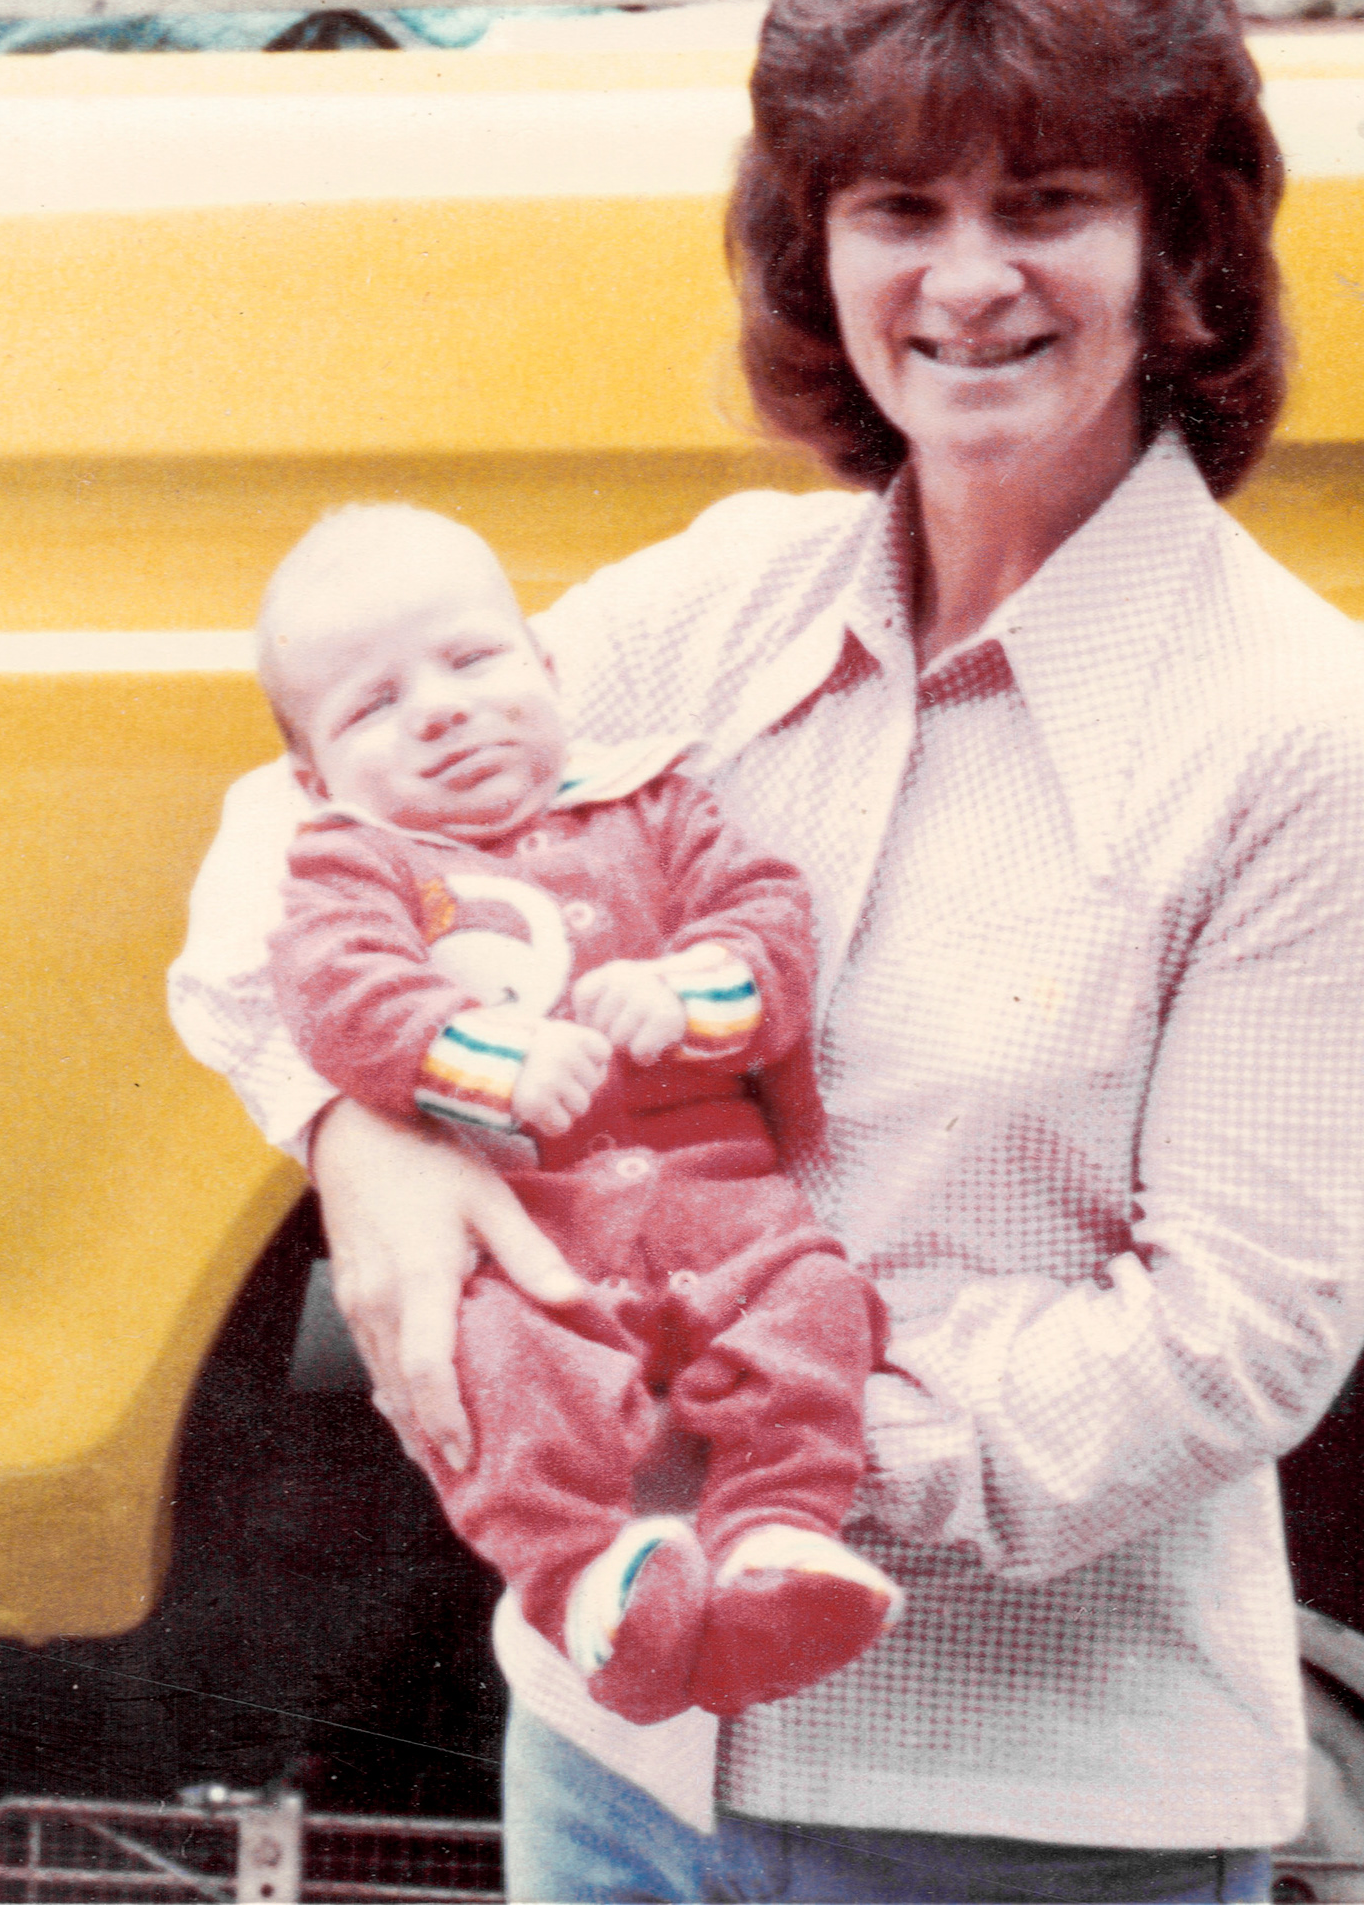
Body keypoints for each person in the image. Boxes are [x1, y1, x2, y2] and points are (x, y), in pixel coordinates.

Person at [172, 0, 1364, 1904]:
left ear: (1182, 245)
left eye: (1049, 202)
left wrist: (752, 1452)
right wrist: (360, 1130)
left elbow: (1241, 1332)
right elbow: (290, 839)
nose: (967, 279)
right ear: (813, 246)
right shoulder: (724, 605)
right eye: (898, 208)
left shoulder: (1302, 735)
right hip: (608, 1768)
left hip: (1013, 1825)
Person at [252, 501, 899, 1726]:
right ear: (312, 778)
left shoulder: (656, 806)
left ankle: (776, 1531)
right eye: (373, 705)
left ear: (549, 669)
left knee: (813, 1307)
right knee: (495, 1369)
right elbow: (337, 986)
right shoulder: (357, 864)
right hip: (533, 1240)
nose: (440, 710)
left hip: (727, 1212)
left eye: (472, 659)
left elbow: (765, 915)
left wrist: (692, 992)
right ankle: (586, 1577)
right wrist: (477, 1057)